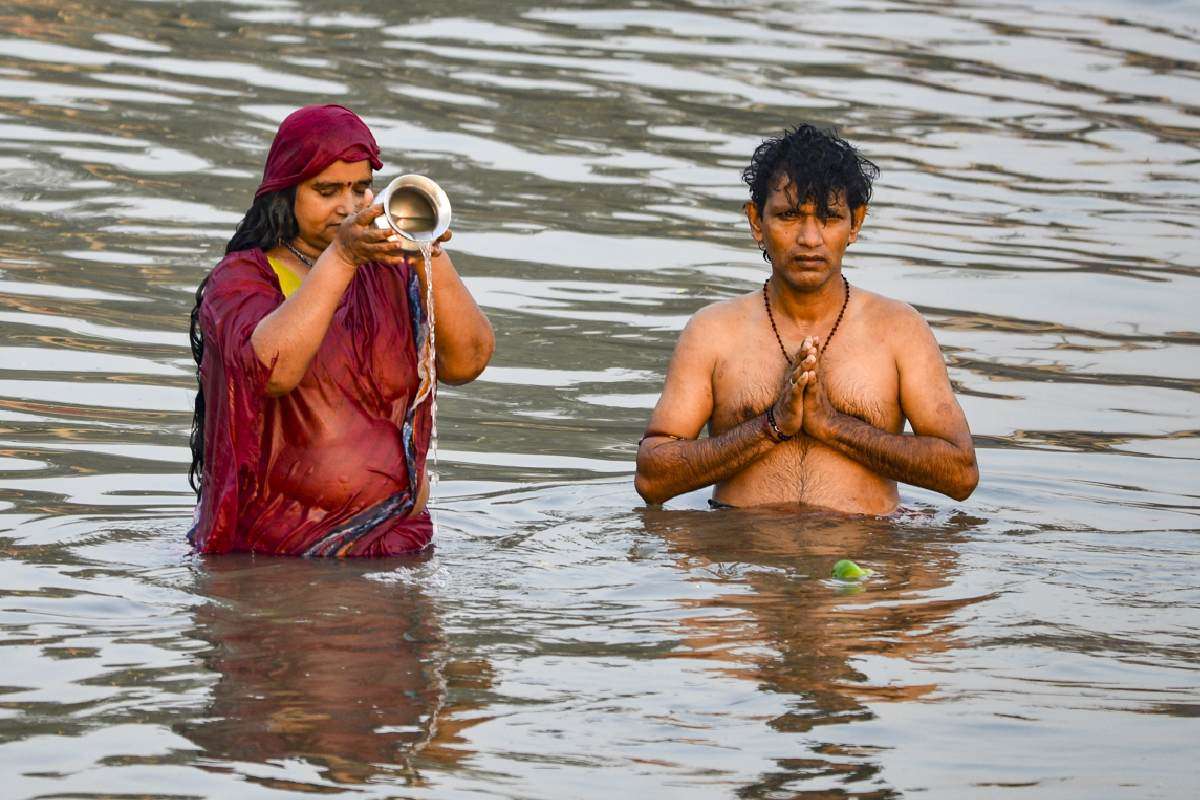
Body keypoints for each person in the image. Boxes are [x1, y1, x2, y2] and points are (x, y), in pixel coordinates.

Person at [187, 104, 494, 555]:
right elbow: (272, 370)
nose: (348, 207)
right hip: (280, 560)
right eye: (327, 190)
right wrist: (344, 257)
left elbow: (468, 362)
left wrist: (430, 253)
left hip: (400, 546)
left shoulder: (391, 272)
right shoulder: (240, 280)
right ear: (285, 194)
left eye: (361, 189)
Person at [634, 124, 977, 514]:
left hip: (865, 560)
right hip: (739, 557)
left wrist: (834, 426)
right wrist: (772, 425)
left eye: (830, 217)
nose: (810, 239)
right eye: (789, 215)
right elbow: (651, 478)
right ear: (755, 222)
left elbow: (960, 474)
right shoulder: (714, 332)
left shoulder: (899, 330)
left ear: (856, 223)